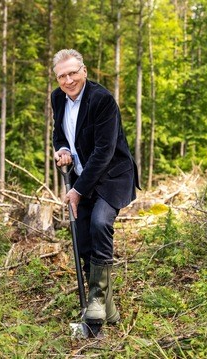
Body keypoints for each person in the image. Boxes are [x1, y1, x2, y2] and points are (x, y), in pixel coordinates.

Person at [51, 49, 139, 328]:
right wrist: (62, 150)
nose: (68, 80)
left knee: (100, 223)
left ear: (84, 71)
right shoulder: (57, 98)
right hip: (83, 175)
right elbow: (60, 133)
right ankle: (106, 310)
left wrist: (77, 191)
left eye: (73, 73)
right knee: (82, 234)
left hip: (112, 176)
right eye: (62, 75)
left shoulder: (102, 100)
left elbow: (104, 151)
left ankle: (97, 300)